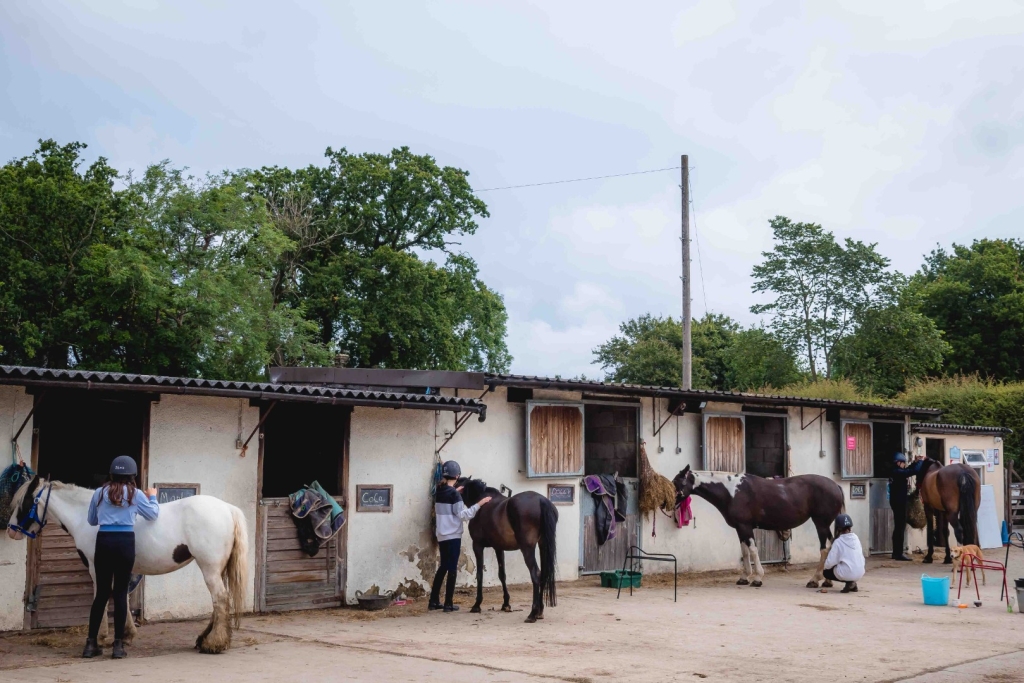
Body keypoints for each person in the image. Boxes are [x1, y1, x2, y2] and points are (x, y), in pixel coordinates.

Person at [82, 455, 160, 659]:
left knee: (101, 594)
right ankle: (118, 646)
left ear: (111, 474)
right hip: (125, 543)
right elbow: (153, 514)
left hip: (104, 541)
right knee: (120, 593)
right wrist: (152, 496)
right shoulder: (135, 494)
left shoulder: (99, 493)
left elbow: (91, 520)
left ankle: (90, 645)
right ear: (132, 475)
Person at [429, 460, 491, 613]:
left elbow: (449, 499)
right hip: (453, 536)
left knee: (443, 566)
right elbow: (463, 515)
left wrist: (456, 491)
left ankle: (433, 601)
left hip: (442, 535)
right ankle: (448, 603)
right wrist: (480, 503)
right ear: (457, 476)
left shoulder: (440, 491)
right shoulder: (454, 494)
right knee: (452, 568)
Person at [889, 451, 924, 561]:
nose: (904, 465)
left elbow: (908, 469)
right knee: (900, 527)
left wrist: (915, 462)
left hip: (897, 501)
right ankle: (898, 553)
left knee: (898, 527)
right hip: (899, 502)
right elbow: (913, 471)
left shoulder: (896, 471)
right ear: (898, 463)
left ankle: (896, 552)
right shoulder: (897, 472)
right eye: (903, 463)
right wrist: (921, 461)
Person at [823, 513, 865, 593]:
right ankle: (853, 583)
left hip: (847, 573)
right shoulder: (856, 538)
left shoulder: (838, 542)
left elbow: (830, 563)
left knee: (826, 573)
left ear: (838, 528)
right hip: (860, 572)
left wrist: (826, 566)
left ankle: (850, 582)